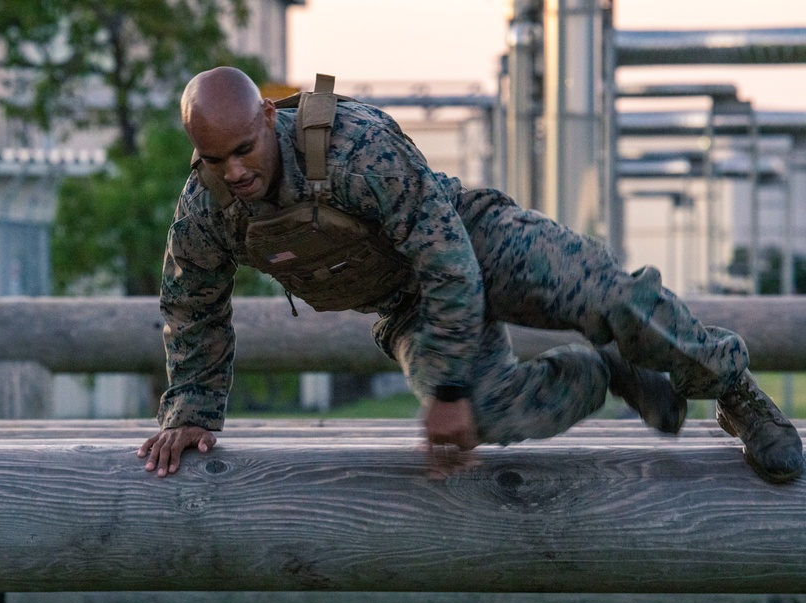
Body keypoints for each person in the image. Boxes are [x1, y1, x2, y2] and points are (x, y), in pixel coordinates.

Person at [139, 66, 803, 484]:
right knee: (481, 416)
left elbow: (447, 259)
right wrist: (192, 410)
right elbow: (192, 303)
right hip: (405, 305)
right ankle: (602, 372)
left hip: (472, 242)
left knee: (607, 295)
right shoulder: (209, 207)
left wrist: (447, 383)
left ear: (267, 117)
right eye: (212, 157)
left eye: (243, 150)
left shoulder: (351, 144)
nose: (233, 171)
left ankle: (735, 392)